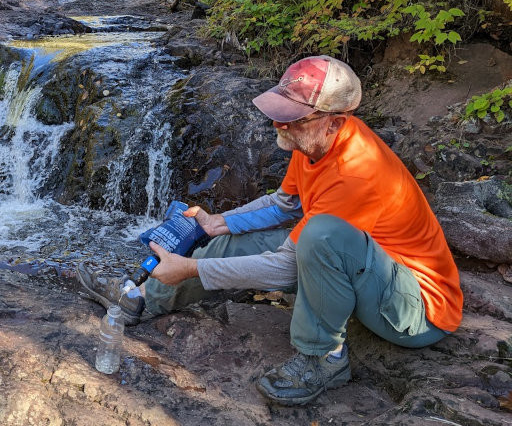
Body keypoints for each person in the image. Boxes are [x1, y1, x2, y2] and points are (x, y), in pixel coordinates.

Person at [77, 54, 463, 406]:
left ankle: (323, 359)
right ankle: (144, 298)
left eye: (292, 117)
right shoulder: (313, 144)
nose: (278, 123)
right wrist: (216, 223)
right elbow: (283, 204)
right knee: (239, 237)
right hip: (367, 273)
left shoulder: (357, 172)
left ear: (335, 122)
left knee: (319, 235)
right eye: (279, 112)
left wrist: (192, 267)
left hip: (415, 312)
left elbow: (284, 269)